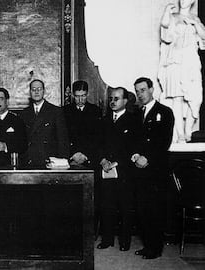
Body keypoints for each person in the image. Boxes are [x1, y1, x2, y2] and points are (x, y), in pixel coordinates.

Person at [132, 77, 174, 259]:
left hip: (155, 171)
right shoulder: (135, 114)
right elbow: (132, 139)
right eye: (137, 91)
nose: (140, 94)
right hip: (139, 170)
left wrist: (146, 158)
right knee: (142, 209)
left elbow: (163, 141)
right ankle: (147, 245)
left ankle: (155, 248)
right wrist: (134, 155)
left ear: (151, 89)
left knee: (155, 210)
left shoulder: (164, 112)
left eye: (143, 90)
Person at [97, 87, 139, 252]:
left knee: (125, 207)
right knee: (106, 205)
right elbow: (97, 144)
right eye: (111, 99)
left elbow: (134, 147)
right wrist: (102, 160)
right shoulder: (104, 120)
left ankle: (124, 241)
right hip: (105, 169)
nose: (112, 102)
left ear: (125, 101)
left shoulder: (133, 121)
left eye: (117, 98)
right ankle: (107, 240)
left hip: (124, 172)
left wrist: (116, 163)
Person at [158, 0, 205, 142]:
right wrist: (166, 11)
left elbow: (203, 36)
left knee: (196, 97)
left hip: (191, 60)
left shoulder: (195, 19)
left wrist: (195, 24)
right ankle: (181, 134)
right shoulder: (173, 16)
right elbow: (165, 30)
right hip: (176, 60)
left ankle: (189, 129)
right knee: (177, 98)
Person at [20, 79, 69, 168]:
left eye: (39, 89)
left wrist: (62, 162)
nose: (36, 92)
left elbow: (62, 140)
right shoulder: (24, 113)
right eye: (33, 89)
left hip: (49, 161)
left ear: (44, 91)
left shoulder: (55, 111)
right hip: (29, 162)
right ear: (30, 92)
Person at [0, 87, 27, 167]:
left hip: (9, 167)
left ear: (7, 101)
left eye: (0, 99)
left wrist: (6, 147)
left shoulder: (17, 120)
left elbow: (23, 144)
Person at [64, 80, 102, 168]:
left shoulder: (95, 111)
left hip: (90, 158)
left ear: (87, 94)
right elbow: (64, 137)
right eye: (77, 96)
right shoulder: (65, 111)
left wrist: (86, 155)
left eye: (83, 96)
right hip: (71, 158)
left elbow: (98, 138)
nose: (80, 100)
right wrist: (73, 154)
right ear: (73, 95)